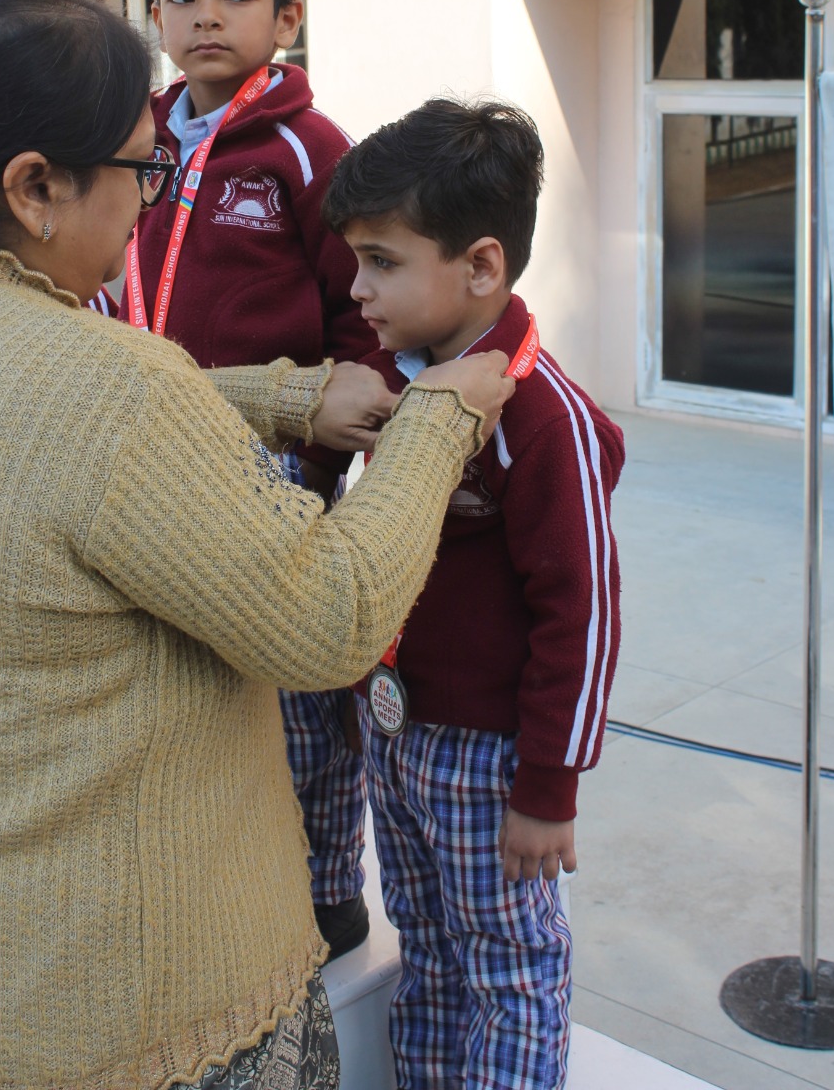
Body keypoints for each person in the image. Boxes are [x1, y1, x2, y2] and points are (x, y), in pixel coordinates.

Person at [0, 0, 515, 1090]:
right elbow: (330, 616)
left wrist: (286, 397)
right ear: (35, 189)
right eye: (143, 172)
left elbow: (59, 442)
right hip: (111, 1017)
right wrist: (442, 417)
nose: (152, 202)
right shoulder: (108, 384)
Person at [322, 98, 625, 1090]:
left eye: (381, 261)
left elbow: (583, 615)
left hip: (489, 760)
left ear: (482, 265)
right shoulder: (394, 381)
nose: (357, 289)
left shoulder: (543, 419)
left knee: (507, 964)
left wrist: (548, 788)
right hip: (395, 736)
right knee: (427, 946)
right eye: (355, 260)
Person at [102, 0, 377, 960]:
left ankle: (325, 887)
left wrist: (323, 451)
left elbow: (359, 311)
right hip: (147, 446)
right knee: (181, 677)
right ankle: (212, 874)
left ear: (286, 17)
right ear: (154, 13)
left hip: (270, 463)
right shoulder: (133, 139)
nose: (206, 15)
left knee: (296, 686)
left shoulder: (309, 149)